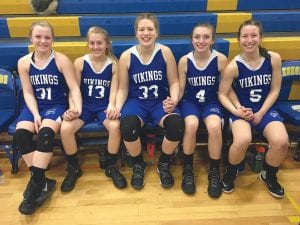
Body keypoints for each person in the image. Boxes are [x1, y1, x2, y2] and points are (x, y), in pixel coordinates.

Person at [13, 21, 82, 215]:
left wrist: (76, 108)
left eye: (47, 37)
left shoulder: (61, 60)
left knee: (45, 134)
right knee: (21, 135)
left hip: (56, 106)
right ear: (31, 38)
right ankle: (41, 180)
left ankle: (35, 186)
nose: (43, 41)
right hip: (35, 106)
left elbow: (74, 87)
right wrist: (35, 114)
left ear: (53, 39)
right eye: (38, 37)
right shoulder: (24, 62)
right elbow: (27, 92)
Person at [218, 19, 289, 198]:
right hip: (242, 112)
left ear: (261, 37)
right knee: (242, 139)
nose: (249, 40)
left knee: (281, 142)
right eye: (245, 36)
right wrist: (237, 111)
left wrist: (262, 112)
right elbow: (222, 94)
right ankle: (231, 172)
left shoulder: (273, 59)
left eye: (253, 35)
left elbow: (275, 89)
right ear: (238, 40)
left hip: (264, 109)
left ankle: (269, 174)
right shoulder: (233, 66)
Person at [116, 13, 184, 190]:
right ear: (136, 32)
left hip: (159, 102)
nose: (146, 33)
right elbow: (122, 88)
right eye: (142, 29)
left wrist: (174, 100)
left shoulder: (165, 52)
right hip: (136, 102)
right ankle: (138, 164)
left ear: (157, 32)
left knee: (176, 124)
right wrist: (116, 107)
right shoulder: (126, 56)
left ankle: (164, 162)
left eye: (150, 29)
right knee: (127, 125)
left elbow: (174, 82)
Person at [60, 26, 127, 192]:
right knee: (65, 128)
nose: (96, 46)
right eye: (92, 43)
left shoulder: (114, 64)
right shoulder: (80, 62)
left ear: (107, 44)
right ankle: (74, 168)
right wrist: (74, 108)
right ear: (87, 44)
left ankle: (111, 166)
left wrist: (112, 106)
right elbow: (73, 89)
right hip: (85, 106)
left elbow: (115, 91)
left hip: (103, 107)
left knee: (115, 126)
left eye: (99, 43)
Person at [178, 23, 228, 197]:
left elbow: (226, 88)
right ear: (192, 39)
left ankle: (214, 172)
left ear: (212, 39)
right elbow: (180, 88)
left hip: (211, 102)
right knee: (191, 125)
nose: (201, 40)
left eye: (206, 37)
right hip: (190, 102)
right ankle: (188, 169)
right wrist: (172, 101)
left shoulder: (220, 59)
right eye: (197, 37)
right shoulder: (184, 61)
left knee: (214, 126)